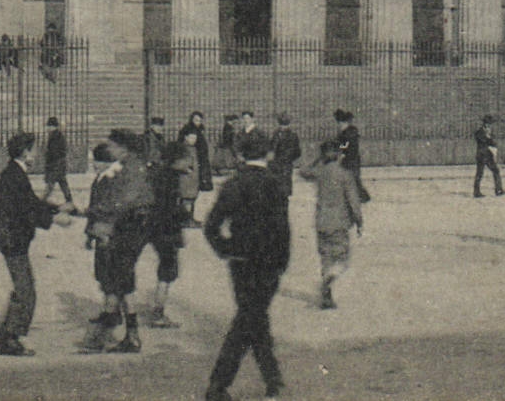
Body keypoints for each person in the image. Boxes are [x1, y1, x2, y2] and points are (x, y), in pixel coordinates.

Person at [203, 131, 289, 401]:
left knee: (252, 317)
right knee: (251, 318)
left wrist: (226, 249)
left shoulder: (233, 184)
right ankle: (220, 384)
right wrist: (281, 262)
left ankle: (271, 380)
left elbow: (211, 226)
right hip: (268, 262)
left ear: (240, 155)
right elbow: (282, 229)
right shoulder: (275, 184)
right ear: (268, 154)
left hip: (240, 263)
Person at [0, 132, 72, 356]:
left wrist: (55, 207)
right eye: (33, 149)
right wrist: (54, 219)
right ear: (25, 152)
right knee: (27, 292)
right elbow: (25, 210)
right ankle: (11, 339)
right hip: (12, 239)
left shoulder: (14, 172)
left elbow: (31, 202)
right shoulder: (15, 175)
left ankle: (5, 330)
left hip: (12, 239)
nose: (36, 153)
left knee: (23, 287)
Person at [81, 130, 153, 353]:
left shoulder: (130, 168)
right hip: (125, 230)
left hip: (128, 231)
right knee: (121, 281)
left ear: (123, 147)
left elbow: (124, 202)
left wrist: (91, 211)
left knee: (118, 281)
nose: (109, 149)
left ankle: (113, 333)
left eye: (112, 145)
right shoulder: (126, 166)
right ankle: (123, 333)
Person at [298, 139, 363, 310]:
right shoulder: (344, 174)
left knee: (325, 257)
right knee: (342, 259)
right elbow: (354, 201)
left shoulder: (320, 172)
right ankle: (330, 279)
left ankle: (327, 296)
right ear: (339, 155)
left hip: (322, 221)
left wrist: (318, 159)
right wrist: (359, 221)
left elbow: (303, 171)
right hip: (339, 221)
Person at [141, 137, 190, 330]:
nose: (189, 163)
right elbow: (168, 207)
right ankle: (158, 312)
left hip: (153, 226)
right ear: (176, 160)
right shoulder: (170, 178)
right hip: (165, 229)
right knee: (168, 270)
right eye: (185, 159)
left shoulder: (159, 173)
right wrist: (184, 214)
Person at [334, 108, 370, 203]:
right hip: (351, 159)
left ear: (344, 123)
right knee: (353, 178)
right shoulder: (349, 132)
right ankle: (361, 196)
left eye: (340, 124)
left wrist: (341, 150)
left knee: (353, 178)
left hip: (350, 159)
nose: (339, 126)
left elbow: (346, 145)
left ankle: (363, 196)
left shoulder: (348, 133)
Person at [42, 116, 77, 209]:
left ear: (54, 126)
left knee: (51, 184)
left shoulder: (55, 136)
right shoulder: (57, 135)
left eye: (50, 126)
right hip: (59, 164)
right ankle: (69, 200)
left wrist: (49, 160)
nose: (48, 128)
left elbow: (54, 152)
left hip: (56, 164)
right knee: (62, 183)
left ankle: (42, 200)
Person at [268, 112, 302, 199]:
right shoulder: (293, 135)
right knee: (283, 190)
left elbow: (271, 148)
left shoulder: (276, 134)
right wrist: (289, 158)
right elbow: (297, 152)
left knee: (277, 189)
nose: (283, 127)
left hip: (278, 164)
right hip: (285, 164)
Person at [472, 114, 504, 198]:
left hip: (488, 154)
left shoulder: (489, 132)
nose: (490, 125)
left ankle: (498, 189)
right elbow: (483, 141)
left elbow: (492, 143)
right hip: (482, 155)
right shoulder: (479, 132)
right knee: (480, 173)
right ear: (485, 123)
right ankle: (476, 191)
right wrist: (488, 136)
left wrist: (491, 139)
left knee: (495, 171)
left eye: (490, 124)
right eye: (488, 123)